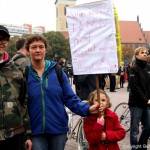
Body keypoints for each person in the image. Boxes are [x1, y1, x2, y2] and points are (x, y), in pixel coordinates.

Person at [25, 34, 99, 150]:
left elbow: (70, 98)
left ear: (46, 49)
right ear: (28, 50)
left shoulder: (57, 71)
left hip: (58, 129)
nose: (38, 50)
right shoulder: (24, 74)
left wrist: (87, 109)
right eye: (33, 47)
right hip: (35, 130)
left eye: (41, 47)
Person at [0, 25, 32, 150]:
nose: (1, 42)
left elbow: (24, 103)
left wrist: (28, 135)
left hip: (15, 136)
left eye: (4, 39)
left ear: (8, 42)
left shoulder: (18, 71)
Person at [128, 47, 150, 150]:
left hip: (147, 103)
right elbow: (134, 87)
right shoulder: (133, 69)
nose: (145, 54)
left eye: (146, 53)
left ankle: (142, 146)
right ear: (137, 55)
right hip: (136, 103)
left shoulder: (148, 68)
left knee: (148, 127)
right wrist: (145, 99)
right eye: (142, 53)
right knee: (135, 129)